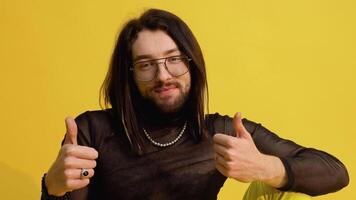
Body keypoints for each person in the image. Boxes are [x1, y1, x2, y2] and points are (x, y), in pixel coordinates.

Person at [41, 9, 349, 200]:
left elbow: (335, 171)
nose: (163, 75)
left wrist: (264, 166)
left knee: (285, 191)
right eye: (146, 65)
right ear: (130, 75)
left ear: (192, 63)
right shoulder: (92, 131)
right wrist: (52, 188)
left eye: (174, 59)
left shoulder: (221, 133)